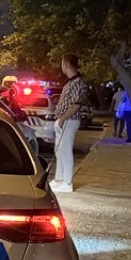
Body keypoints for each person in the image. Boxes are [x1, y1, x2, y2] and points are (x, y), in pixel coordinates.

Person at [50, 54, 87, 193]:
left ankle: (67, 182)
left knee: (65, 151)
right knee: (59, 150)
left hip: (69, 121)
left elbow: (76, 105)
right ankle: (59, 179)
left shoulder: (78, 83)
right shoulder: (70, 82)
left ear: (65, 64)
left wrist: (63, 118)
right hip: (63, 120)